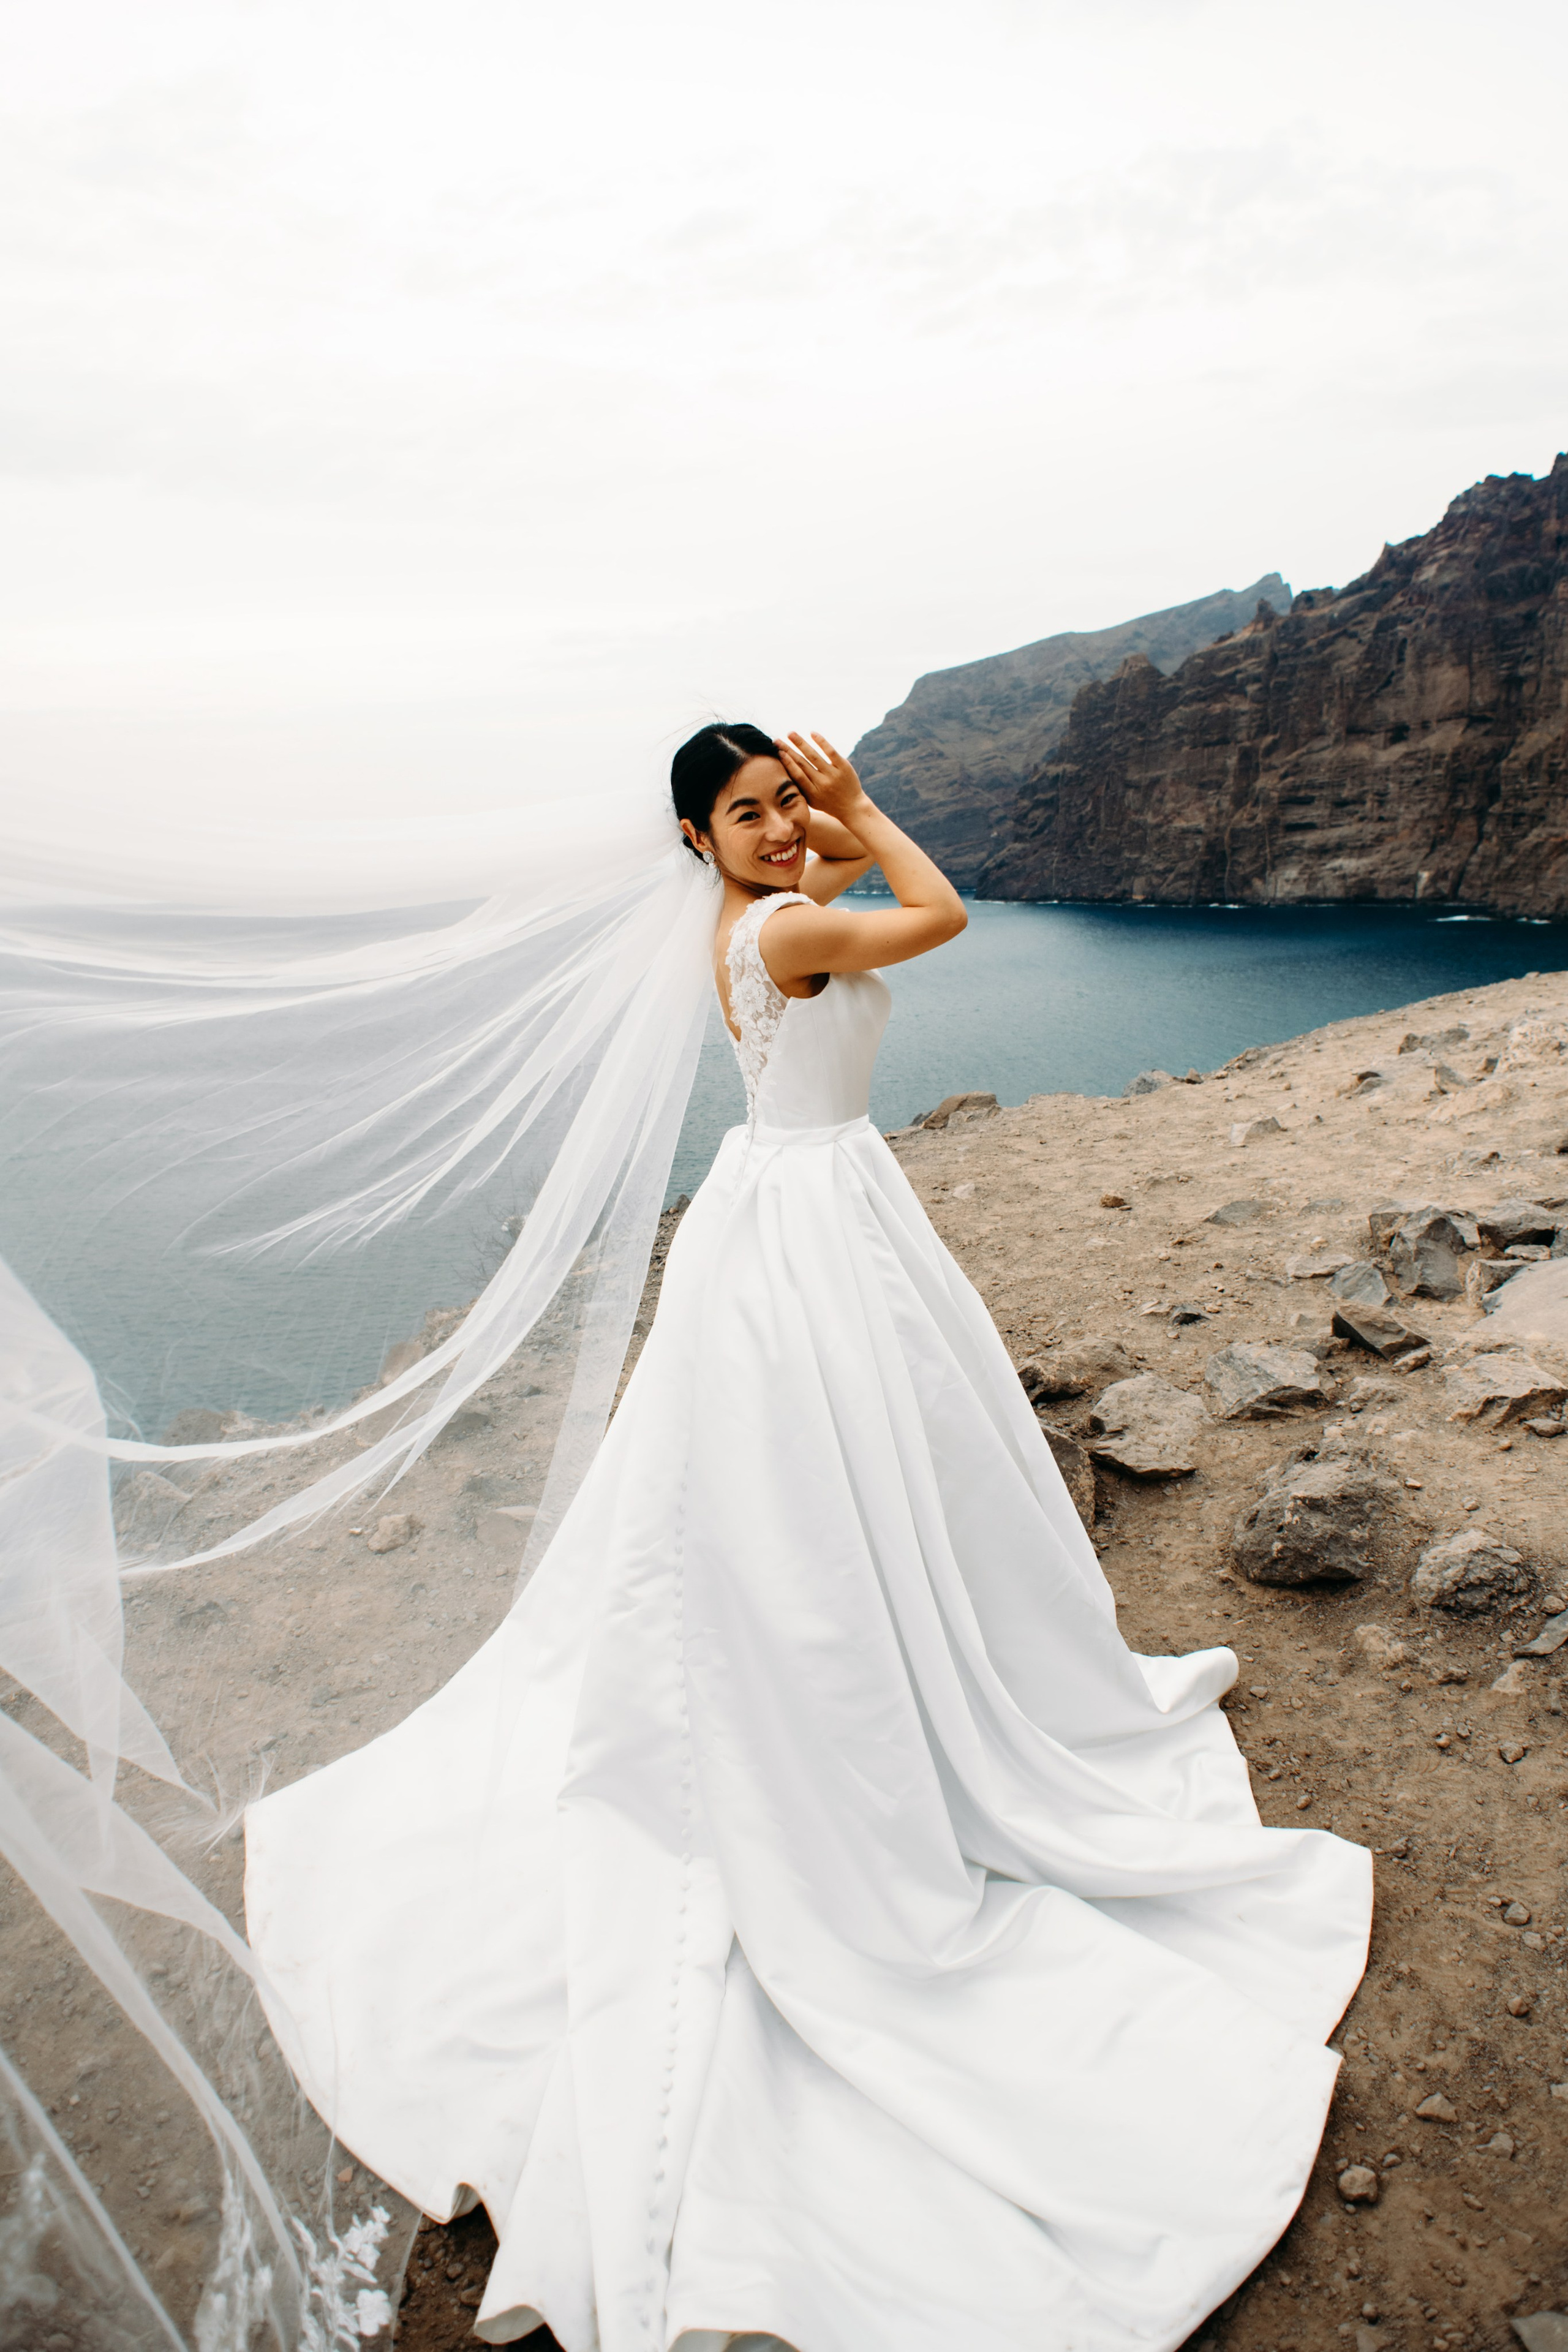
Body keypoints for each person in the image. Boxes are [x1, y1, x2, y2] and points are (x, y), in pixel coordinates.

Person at [244, 723, 1371, 2352]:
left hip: (812, 1211)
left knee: (844, 1490)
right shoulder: (780, 923)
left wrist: (816, 826)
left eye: (785, 799)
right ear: (697, 838)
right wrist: (863, 813)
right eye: (749, 812)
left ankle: (887, 1665)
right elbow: (939, 913)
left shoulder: (760, 909)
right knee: (816, 1496)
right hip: (809, 1227)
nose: (783, 827)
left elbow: (853, 897)